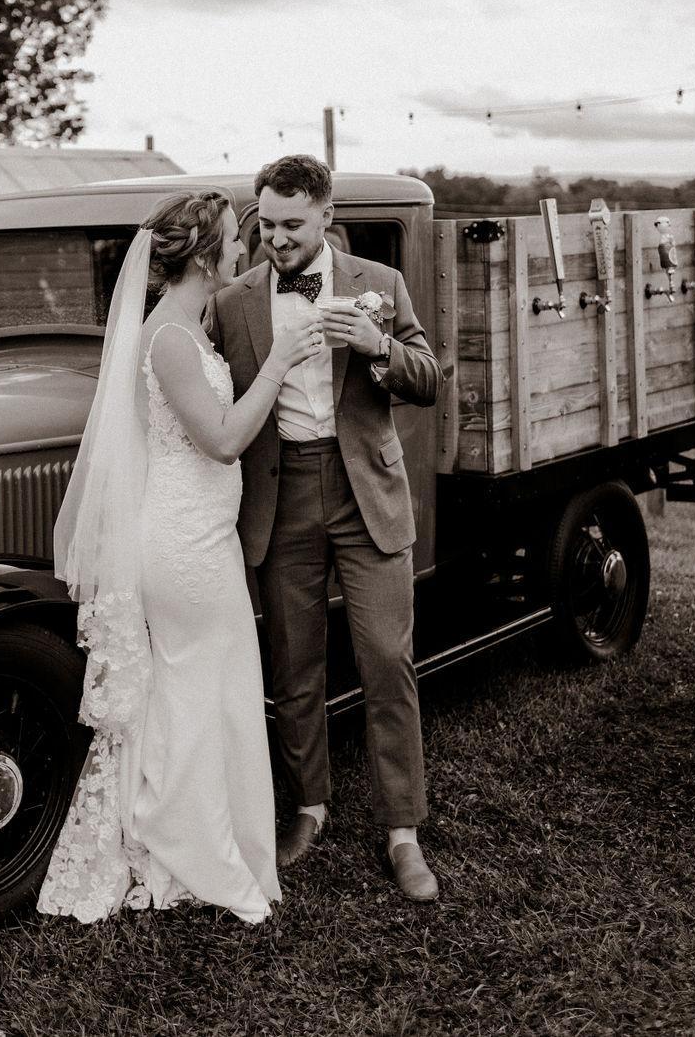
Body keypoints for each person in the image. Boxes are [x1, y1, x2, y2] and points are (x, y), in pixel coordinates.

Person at [38, 190, 320, 924]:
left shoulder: (185, 328)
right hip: (184, 541)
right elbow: (221, 440)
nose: (244, 248)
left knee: (201, 690)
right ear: (203, 254)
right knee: (204, 692)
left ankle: (183, 836)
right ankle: (192, 847)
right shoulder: (168, 338)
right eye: (234, 237)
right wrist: (280, 361)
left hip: (201, 533)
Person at [207, 156, 444, 902]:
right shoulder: (233, 301)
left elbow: (430, 379)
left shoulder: (381, 282)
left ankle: (402, 829)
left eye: (293, 225)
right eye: (266, 225)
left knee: (386, 658)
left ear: (327, 216)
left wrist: (378, 348)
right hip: (278, 499)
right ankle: (310, 806)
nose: (276, 239)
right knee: (293, 663)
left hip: (365, 492)